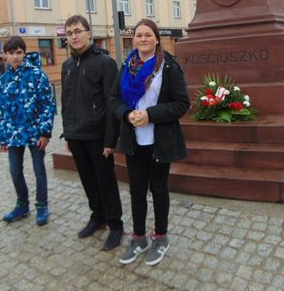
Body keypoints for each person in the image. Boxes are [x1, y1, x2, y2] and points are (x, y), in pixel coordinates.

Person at [111, 18, 190, 266]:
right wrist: (127, 114)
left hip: (159, 140)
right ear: (133, 39)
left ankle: (161, 237)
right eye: (138, 35)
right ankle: (138, 237)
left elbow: (182, 104)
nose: (143, 39)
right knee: (136, 191)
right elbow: (113, 100)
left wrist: (150, 114)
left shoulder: (169, 67)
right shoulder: (127, 66)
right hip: (134, 140)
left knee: (158, 190)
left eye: (148, 35)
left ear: (156, 39)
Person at [61, 14, 124, 251]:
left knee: (106, 182)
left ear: (89, 32)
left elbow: (112, 104)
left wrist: (110, 139)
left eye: (78, 31)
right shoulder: (67, 66)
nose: (74, 37)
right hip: (76, 136)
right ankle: (97, 217)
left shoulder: (104, 63)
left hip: (98, 137)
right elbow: (65, 102)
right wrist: (67, 134)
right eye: (69, 33)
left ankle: (115, 225)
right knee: (88, 181)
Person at [0, 36, 56, 226]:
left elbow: (48, 104)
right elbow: (2, 110)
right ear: (5, 55)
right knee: (15, 171)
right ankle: (22, 205)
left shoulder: (37, 74)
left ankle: (42, 206)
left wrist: (45, 132)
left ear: (24, 53)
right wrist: (3, 138)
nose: (15, 57)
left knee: (39, 170)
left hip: (35, 132)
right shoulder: (3, 80)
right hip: (14, 134)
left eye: (19, 53)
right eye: (11, 53)